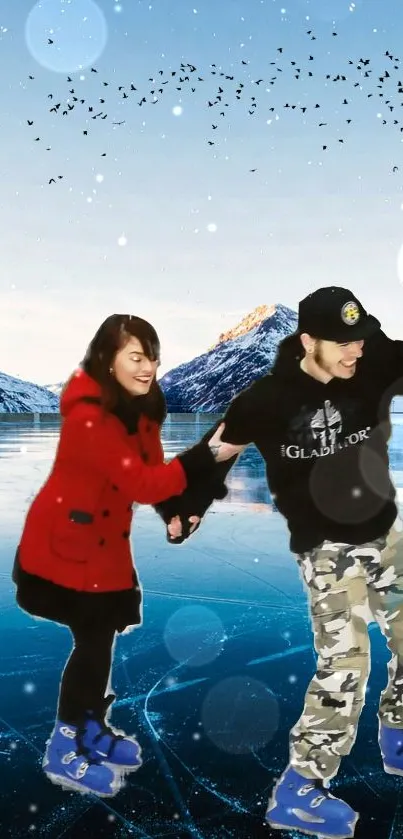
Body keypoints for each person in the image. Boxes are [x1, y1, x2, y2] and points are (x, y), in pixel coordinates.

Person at [158, 287, 403, 839]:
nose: (355, 353)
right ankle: (300, 791)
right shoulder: (265, 400)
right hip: (326, 550)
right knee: (345, 668)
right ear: (307, 341)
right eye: (342, 343)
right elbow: (216, 452)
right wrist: (188, 504)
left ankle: (400, 731)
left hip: (387, 532)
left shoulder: (373, 360)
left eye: (359, 339)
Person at [12, 314, 242, 799]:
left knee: (102, 637)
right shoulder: (89, 414)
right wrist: (207, 455)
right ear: (106, 359)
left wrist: (174, 512)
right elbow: (138, 480)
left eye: (152, 358)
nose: (148, 368)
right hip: (63, 545)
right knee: (92, 642)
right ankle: (65, 743)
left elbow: (152, 472)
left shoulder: (141, 408)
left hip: (103, 543)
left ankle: (90, 727)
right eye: (136, 357)